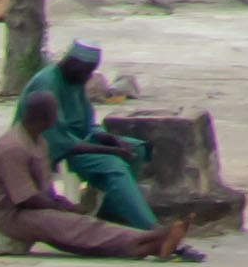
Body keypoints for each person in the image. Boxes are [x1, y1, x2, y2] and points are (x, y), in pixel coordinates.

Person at [0, 93, 194, 263]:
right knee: (73, 226)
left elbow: (42, 188)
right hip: (11, 215)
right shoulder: (13, 148)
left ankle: (148, 245)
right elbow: (26, 198)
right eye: (55, 113)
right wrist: (60, 207)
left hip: (31, 209)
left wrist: (60, 202)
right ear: (44, 117)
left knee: (78, 232)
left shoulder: (38, 140)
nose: (58, 118)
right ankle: (150, 238)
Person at [35, 51, 162, 236]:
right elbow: (58, 140)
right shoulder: (47, 84)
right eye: (87, 72)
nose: (88, 77)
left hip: (80, 141)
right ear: (74, 66)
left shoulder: (75, 81)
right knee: (114, 165)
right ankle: (153, 231)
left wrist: (107, 138)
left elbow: (89, 123)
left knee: (136, 149)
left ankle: (108, 218)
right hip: (60, 149)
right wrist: (108, 150)